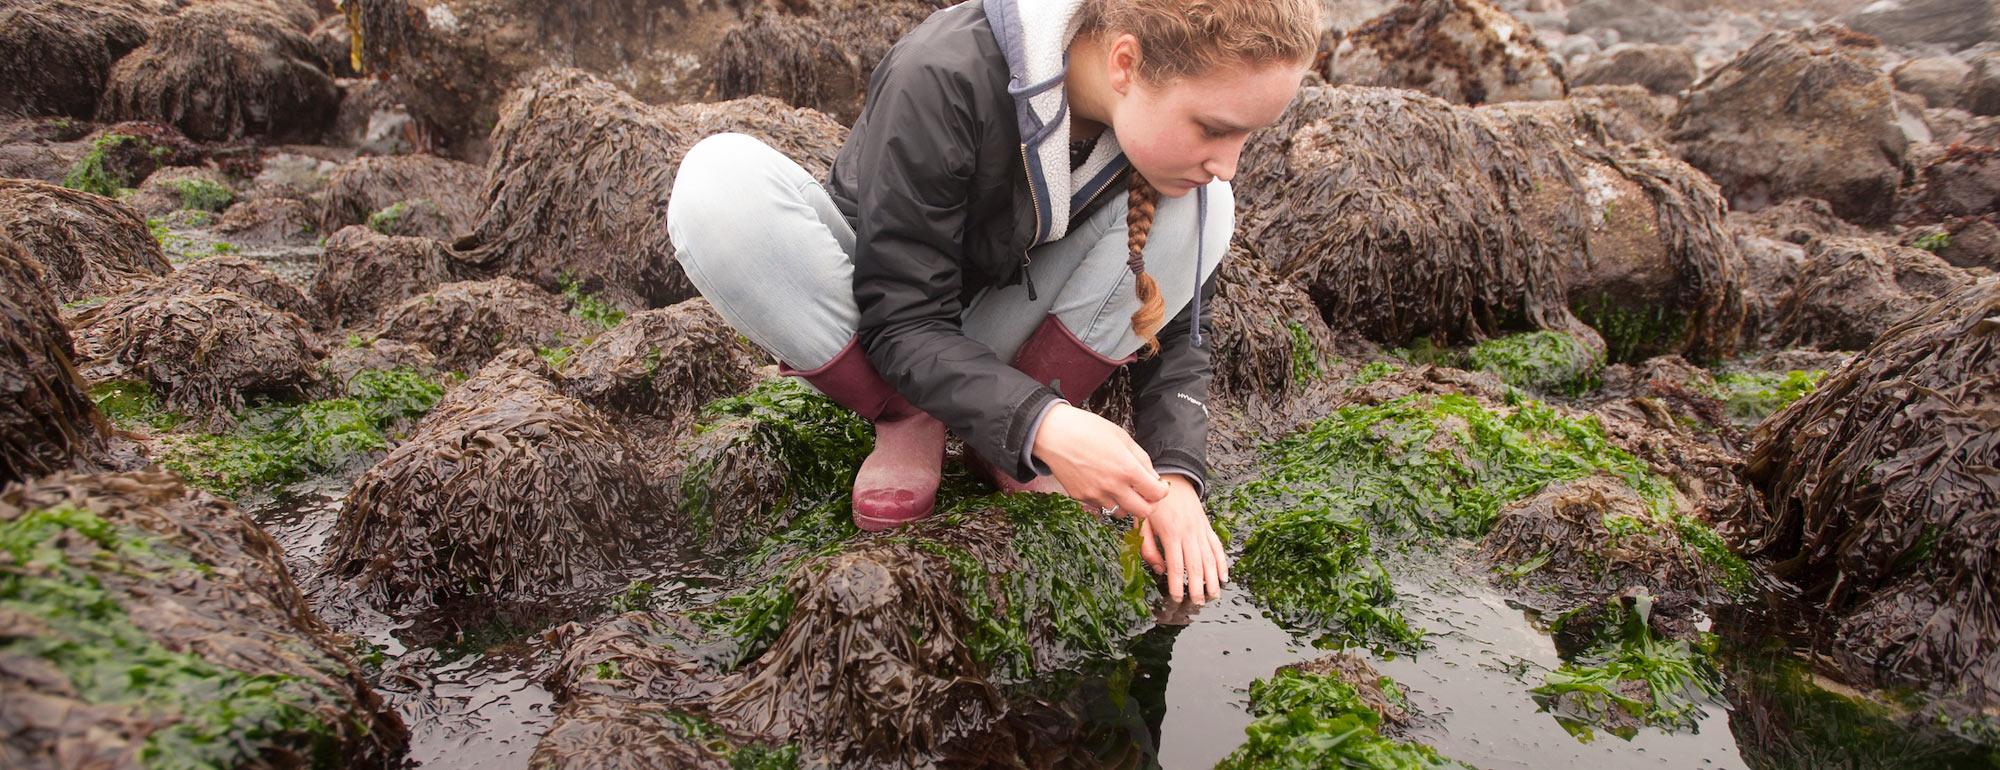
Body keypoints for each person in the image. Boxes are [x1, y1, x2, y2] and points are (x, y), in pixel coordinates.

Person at [667, 0, 1318, 601]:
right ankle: (912, 420)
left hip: (996, 341)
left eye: (1246, 138)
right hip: (884, 316)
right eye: (1213, 129)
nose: (1228, 161)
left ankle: (1000, 433)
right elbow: (902, 319)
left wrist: (1174, 477)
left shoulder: (1176, 154)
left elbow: (1175, 331)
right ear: (1126, 63)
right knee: (716, 185)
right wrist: (1046, 424)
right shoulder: (945, 72)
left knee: (1210, 209)